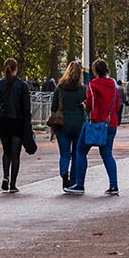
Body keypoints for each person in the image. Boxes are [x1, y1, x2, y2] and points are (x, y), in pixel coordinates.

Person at [66, 58, 121, 196]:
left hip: (96, 122)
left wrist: (85, 106)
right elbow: (117, 105)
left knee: (81, 151)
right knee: (107, 154)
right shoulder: (114, 85)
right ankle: (113, 185)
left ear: (95, 71)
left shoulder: (93, 84)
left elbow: (90, 104)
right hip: (110, 123)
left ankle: (80, 184)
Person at [0, 58, 32, 192]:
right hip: (17, 121)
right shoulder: (22, 85)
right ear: (16, 69)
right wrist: (28, 124)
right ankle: (13, 184)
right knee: (15, 153)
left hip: (3, 120)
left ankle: (5, 176)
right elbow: (26, 107)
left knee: (6, 151)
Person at [52, 61, 87, 189]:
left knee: (64, 154)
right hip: (79, 124)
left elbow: (54, 107)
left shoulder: (60, 88)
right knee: (77, 153)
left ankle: (63, 172)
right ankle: (73, 180)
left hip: (63, 123)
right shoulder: (83, 89)